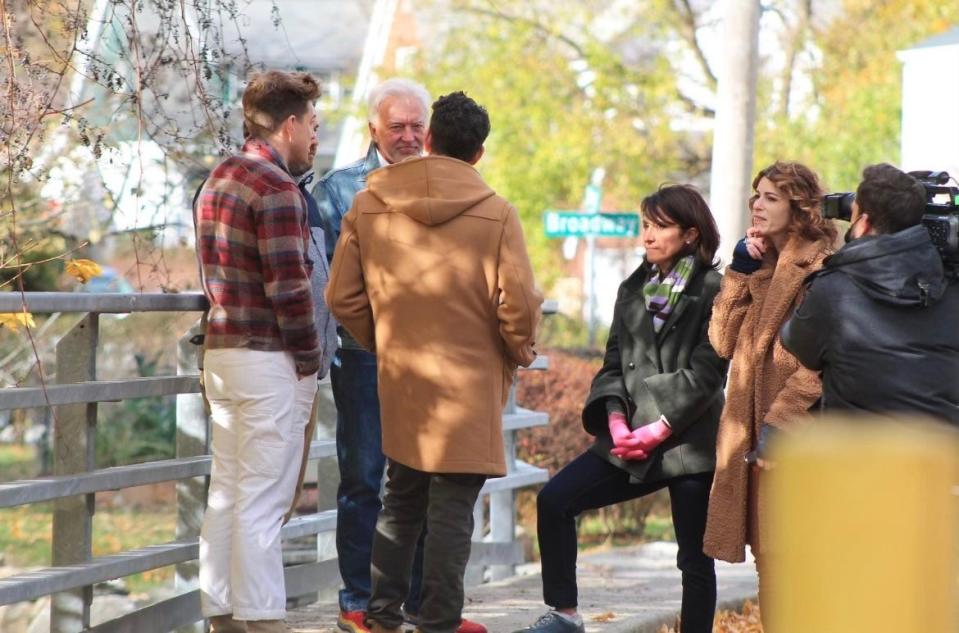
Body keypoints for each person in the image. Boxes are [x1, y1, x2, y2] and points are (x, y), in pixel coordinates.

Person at [326, 91, 543, 633]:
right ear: (479, 153)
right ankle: (439, 621)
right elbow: (519, 303)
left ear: (427, 140)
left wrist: (387, 342)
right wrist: (516, 351)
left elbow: (341, 297)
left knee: (401, 497)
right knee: (451, 509)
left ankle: (380, 616)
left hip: (404, 377)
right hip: (469, 383)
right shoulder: (496, 213)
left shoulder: (369, 202)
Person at [514, 185, 728, 633]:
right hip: (629, 437)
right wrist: (614, 417)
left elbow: (707, 374)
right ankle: (565, 616)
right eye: (646, 224)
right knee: (555, 501)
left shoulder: (715, 290)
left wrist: (659, 428)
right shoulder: (633, 288)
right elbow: (613, 362)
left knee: (694, 558)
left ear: (690, 235)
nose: (647, 235)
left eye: (660, 226)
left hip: (688, 440)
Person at [313, 78, 481, 633]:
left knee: (427, 477)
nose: (409, 137)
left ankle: (416, 604)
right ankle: (360, 601)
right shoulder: (339, 192)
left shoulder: (452, 184)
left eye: (417, 127)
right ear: (373, 131)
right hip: (366, 357)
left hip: (432, 362)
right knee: (364, 477)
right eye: (397, 127)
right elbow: (337, 287)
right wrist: (378, 338)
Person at [195, 70, 325, 633]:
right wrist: (310, 358)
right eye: (314, 125)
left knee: (228, 490)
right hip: (268, 358)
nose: (316, 136)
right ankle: (264, 619)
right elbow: (290, 289)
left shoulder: (219, 178)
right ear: (290, 124)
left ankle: (221, 613)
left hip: (223, 354)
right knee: (264, 499)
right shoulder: (276, 189)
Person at [702, 161, 835, 629]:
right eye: (756, 195)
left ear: (800, 209)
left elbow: (821, 363)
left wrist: (781, 421)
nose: (757, 204)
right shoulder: (757, 263)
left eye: (771, 198)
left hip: (795, 436)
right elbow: (721, 343)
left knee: (797, 558)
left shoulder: (821, 267)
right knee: (770, 559)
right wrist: (739, 272)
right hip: (752, 435)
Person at [781, 163, 959, 425]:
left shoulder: (833, 290)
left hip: (860, 456)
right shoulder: (949, 285)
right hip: (939, 454)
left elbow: (796, 344)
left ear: (863, 224)